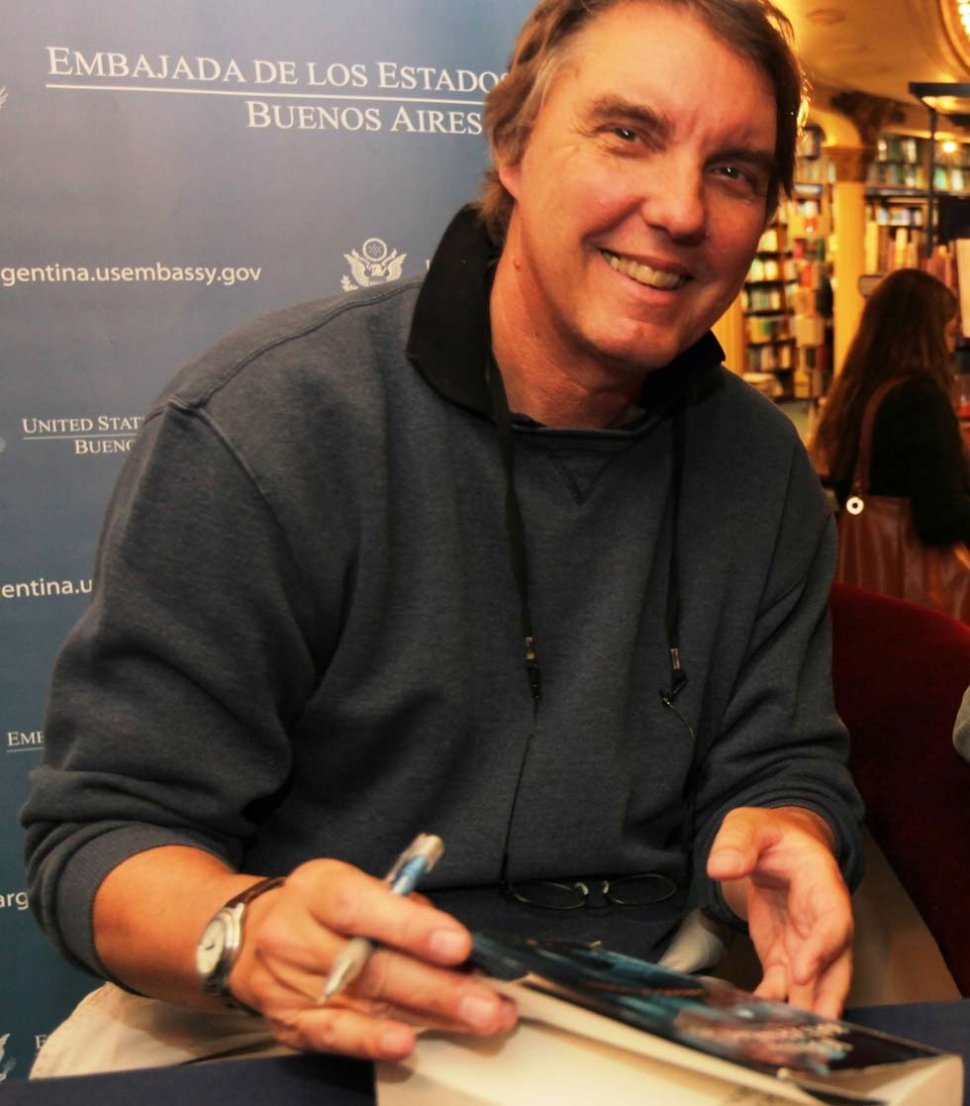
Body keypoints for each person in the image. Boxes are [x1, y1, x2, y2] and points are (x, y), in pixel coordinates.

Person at [22, 0, 864, 1075]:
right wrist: (249, 930)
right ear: (513, 146)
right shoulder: (268, 425)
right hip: (291, 1023)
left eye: (735, 170)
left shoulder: (762, 469)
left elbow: (782, 759)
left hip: (642, 1015)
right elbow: (101, 838)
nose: (680, 207)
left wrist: (791, 826)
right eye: (627, 134)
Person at [812, 268, 970, 547]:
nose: (950, 349)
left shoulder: (859, 390)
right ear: (926, 337)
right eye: (947, 335)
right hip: (911, 566)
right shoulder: (921, 401)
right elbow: (940, 517)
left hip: (871, 556)